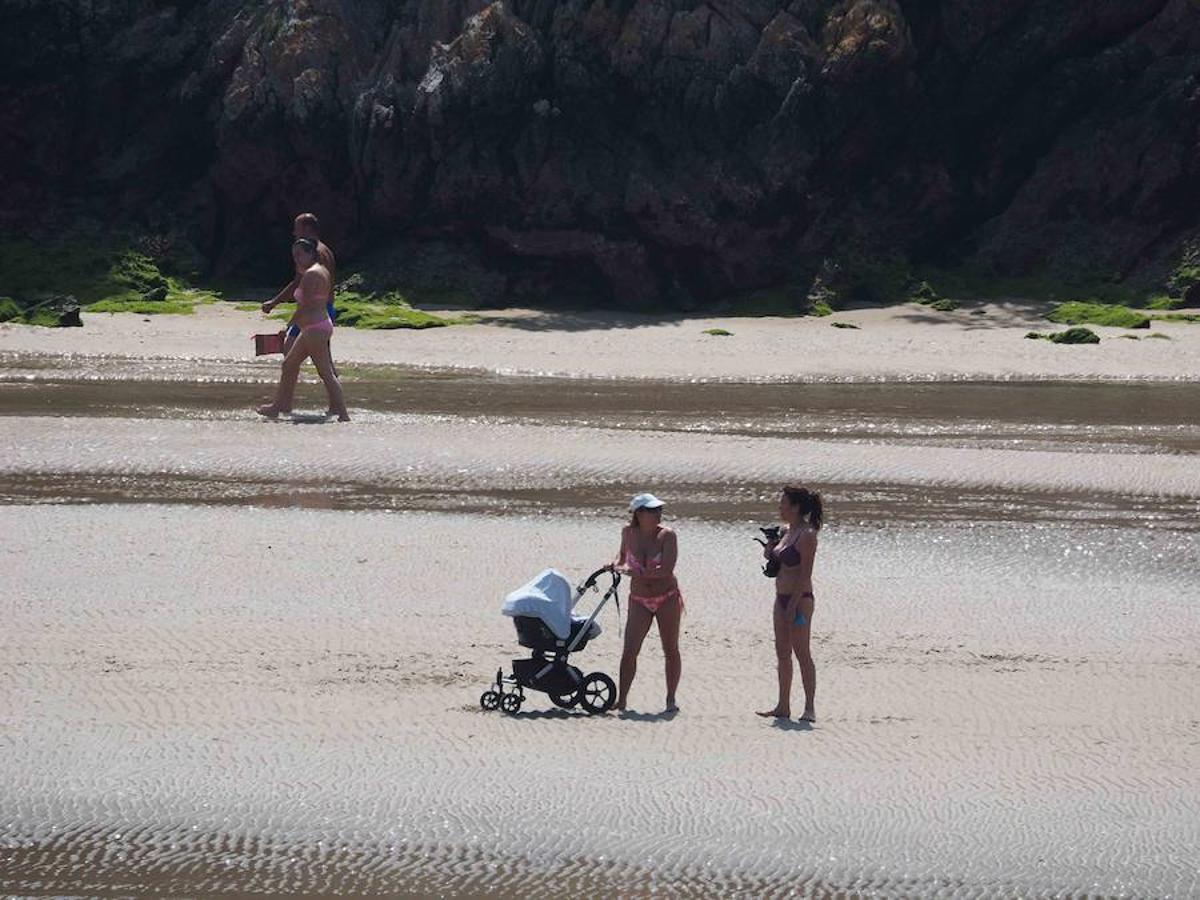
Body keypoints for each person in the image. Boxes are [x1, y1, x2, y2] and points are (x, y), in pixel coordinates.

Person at [256, 238, 350, 421]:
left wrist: (288, 327)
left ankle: (344, 414)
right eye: (294, 255)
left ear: (311, 254)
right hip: (316, 326)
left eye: (300, 254)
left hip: (315, 328)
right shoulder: (322, 271)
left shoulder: (311, 275)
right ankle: (276, 407)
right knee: (289, 364)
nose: (297, 259)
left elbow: (304, 306)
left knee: (325, 372)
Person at [610, 492, 683, 713]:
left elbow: (666, 569)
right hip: (639, 599)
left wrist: (634, 572)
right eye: (653, 510)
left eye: (659, 509)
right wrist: (614, 565)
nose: (658, 513)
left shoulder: (667, 536)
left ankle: (671, 699)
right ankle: (622, 700)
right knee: (630, 650)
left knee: (670, 648)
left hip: (667, 598)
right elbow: (621, 558)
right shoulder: (628, 532)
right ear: (639, 514)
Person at [757, 485, 823, 723]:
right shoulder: (786, 531)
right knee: (782, 653)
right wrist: (769, 551)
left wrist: (792, 605)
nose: (780, 507)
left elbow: (805, 574)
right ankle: (783, 705)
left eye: (784, 503)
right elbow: (777, 559)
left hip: (800, 600)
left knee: (802, 652)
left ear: (795, 507)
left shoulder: (807, 535)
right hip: (781, 597)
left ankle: (809, 707)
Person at [262, 213, 337, 359]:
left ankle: (290, 379)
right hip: (325, 309)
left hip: (314, 311)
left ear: (308, 229)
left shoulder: (314, 254)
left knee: (291, 352)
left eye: (297, 228)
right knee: (322, 358)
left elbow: (298, 284)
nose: (294, 233)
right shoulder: (326, 250)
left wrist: (274, 302)